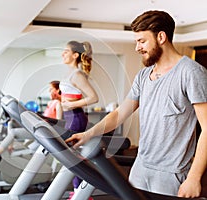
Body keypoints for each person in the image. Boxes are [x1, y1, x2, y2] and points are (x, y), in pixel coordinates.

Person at [65, 10, 207, 198]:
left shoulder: (191, 72)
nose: (137, 48)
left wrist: (194, 177)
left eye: (142, 41)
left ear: (161, 37)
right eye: (136, 42)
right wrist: (87, 134)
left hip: (171, 173)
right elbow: (119, 114)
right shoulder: (143, 75)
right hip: (140, 167)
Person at [0, 81, 62, 163]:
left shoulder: (58, 104)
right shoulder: (50, 103)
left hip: (45, 131)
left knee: (14, 132)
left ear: (57, 90)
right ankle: (10, 147)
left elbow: (59, 123)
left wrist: (44, 121)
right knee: (12, 123)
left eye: (51, 89)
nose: (49, 92)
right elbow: (45, 116)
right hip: (39, 127)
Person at [60, 40, 99, 198]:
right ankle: (78, 191)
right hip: (71, 118)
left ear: (75, 55)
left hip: (76, 118)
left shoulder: (77, 74)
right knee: (72, 157)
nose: (62, 54)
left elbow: (93, 97)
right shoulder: (71, 73)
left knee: (74, 159)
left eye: (66, 51)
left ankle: (82, 193)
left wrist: (72, 104)